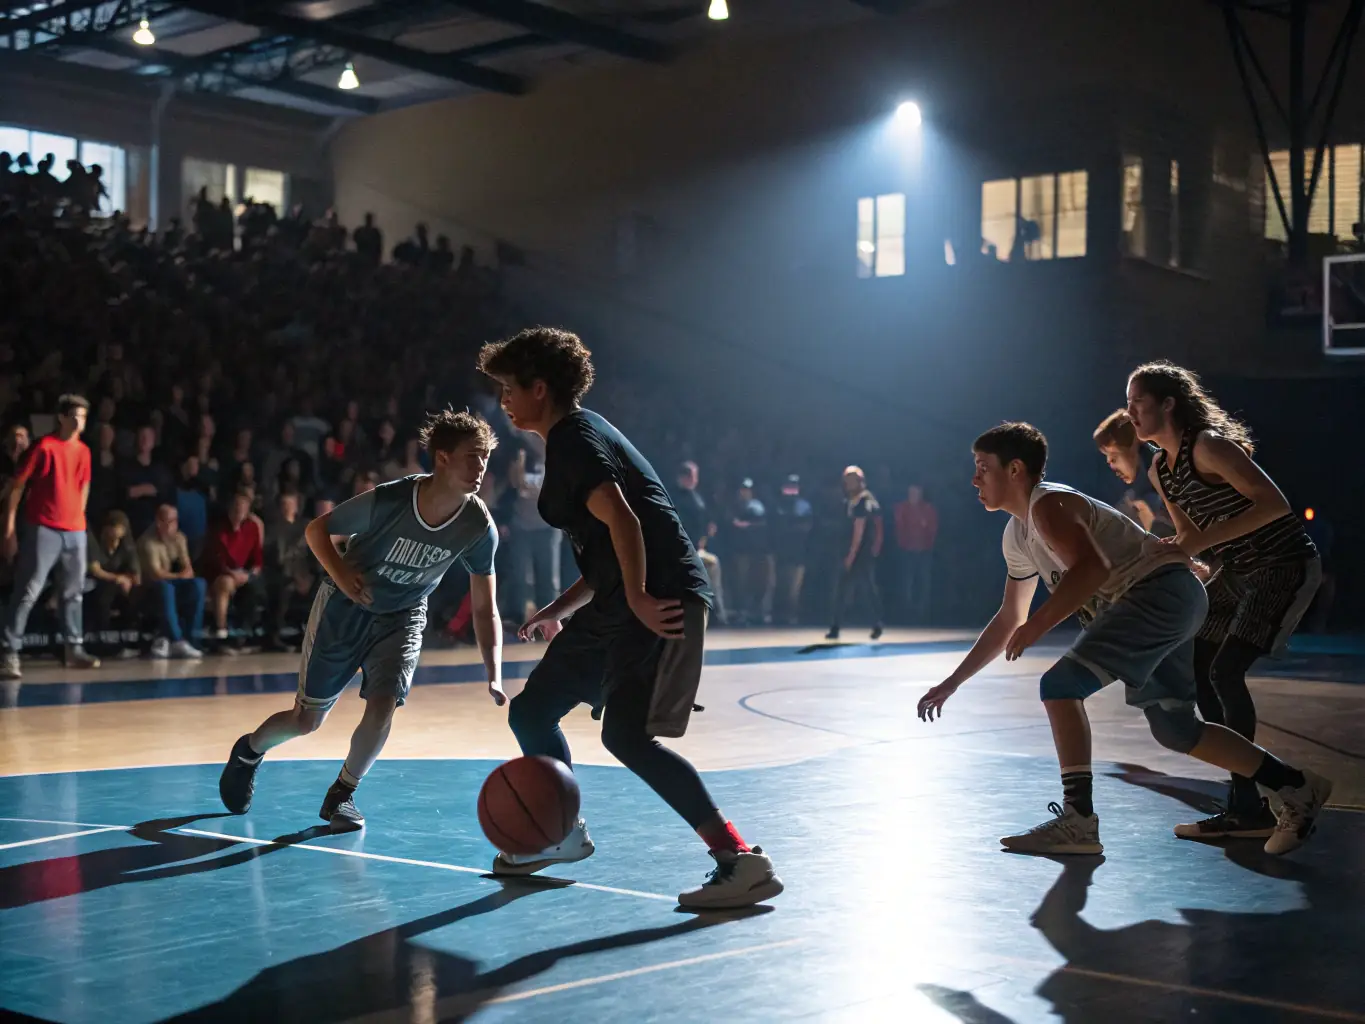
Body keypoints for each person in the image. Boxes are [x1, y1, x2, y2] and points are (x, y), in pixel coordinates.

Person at [916, 423, 1331, 857]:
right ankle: (1296, 786)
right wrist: (953, 682)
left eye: (983, 468)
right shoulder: (1017, 535)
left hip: (1158, 595)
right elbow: (1009, 617)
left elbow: (1090, 570)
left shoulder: (1050, 504)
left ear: (1015, 469)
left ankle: (1078, 821)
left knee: (1059, 686)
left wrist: (1036, 627)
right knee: (1175, 729)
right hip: (1169, 598)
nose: (974, 479)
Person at [478, 326, 782, 909]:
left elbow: (625, 523)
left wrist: (639, 595)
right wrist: (558, 608)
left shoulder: (575, 439)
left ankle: (739, 860)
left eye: (509, 388)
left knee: (625, 735)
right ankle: (560, 835)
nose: (504, 401)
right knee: (534, 710)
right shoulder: (575, 436)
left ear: (540, 388)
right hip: (621, 599)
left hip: (657, 597)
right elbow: (606, 551)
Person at [217, 410, 504, 831]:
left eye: (485, 458)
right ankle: (249, 750)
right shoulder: (391, 500)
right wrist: (342, 574)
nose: (480, 468)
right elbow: (318, 530)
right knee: (306, 721)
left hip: (403, 615)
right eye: (471, 457)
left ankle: (342, 794)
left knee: (384, 705)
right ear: (442, 457)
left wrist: (494, 672)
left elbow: (485, 607)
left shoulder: (478, 526)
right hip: (346, 607)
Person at [1127, 362, 1323, 839]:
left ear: (1168, 404)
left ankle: (1252, 800)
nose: (1129, 413)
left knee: (1224, 671)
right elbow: (1192, 535)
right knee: (1197, 667)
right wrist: (1163, 553)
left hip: (1282, 563)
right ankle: (1249, 805)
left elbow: (1274, 504)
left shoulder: (1209, 446)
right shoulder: (1161, 470)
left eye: (1138, 403)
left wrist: (1196, 545)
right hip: (1237, 571)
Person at [1, 395, 100, 676]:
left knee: (73, 592)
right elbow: (17, 487)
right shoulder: (44, 446)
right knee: (29, 590)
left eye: (83, 417)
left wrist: (78, 519)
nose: (80, 422)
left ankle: (73, 648)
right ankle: (9, 651)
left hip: (74, 530)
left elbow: (84, 486)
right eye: (75, 416)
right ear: (62, 417)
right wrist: (9, 529)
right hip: (43, 527)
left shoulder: (84, 451)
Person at [138, 504, 207, 659]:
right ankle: (176, 640)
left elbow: (188, 568)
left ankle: (191, 639)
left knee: (198, 584)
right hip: (149, 589)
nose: (172, 525)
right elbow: (156, 575)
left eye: (175, 521)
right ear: (158, 522)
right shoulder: (148, 541)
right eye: (168, 521)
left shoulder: (180, 537)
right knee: (165, 588)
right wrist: (179, 576)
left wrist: (183, 575)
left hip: (172, 583)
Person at [1091, 409, 1173, 536]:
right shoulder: (1134, 498)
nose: (1110, 464)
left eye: (1114, 456)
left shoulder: (1168, 478)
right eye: (1107, 457)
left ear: (1134, 444)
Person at [202, 488, 266, 647]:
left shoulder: (252, 527)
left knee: (255, 587)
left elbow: (257, 559)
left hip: (244, 574)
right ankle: (221, 631)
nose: (239, 511)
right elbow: (217, 559)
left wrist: (249, 574)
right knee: (225, 583)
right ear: (230, 508)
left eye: (243, 508)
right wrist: (233, 574)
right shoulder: (219, 528)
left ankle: (244, 634)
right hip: (222, 573)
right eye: (237, 507)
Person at [827, 465, 884, 641]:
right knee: (843, 590)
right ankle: (836, 626)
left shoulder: (863, 501)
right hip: (850, 550)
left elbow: (860, 530)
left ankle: (876, 624)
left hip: (860, 553)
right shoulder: (850, 501)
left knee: (866, 589)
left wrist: (851, 556)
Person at [674, 461, 726, 626]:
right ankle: (717, 613)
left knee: (712, 568)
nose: (694, 480)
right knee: (712, 566)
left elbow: (702, 519)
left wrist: (707, 529)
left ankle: (716, 613)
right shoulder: (678, 498)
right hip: (684, 549)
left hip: (698, 547)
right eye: (691, 476)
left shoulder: (695, 496)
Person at [86, 509, 141, 656]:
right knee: (104, 596)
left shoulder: (127, 546)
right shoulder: (95, 542)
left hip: (118, 585)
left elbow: (136, 575)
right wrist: (117, 578)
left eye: (120, 529)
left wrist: (128, 580)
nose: (116, 532)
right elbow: (95, 570)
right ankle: (104, 643)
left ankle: (129, 641)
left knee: (134, 595)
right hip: (95, 582)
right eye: (113, 528)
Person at [771, 474, 813, 626]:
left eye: (794, 486)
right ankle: (777, 616)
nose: (791, 490)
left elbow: (807, 527)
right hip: (780, 554)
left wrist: (791, 528)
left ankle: (791, 617)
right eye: (788, 486)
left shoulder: (804, 506)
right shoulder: (777, 505)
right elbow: (775, 528)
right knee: (779, 586)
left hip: (798, 554)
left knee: (794, 589)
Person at [894, 484, 939, 623]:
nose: (914, 495)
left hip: (924, 550)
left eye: (916, 493)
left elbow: (933, 529)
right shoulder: (902, 508)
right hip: (907, 550)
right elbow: (899, 528)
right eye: (911, 493)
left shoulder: (928, 509)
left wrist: (928, 544)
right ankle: (907, 611)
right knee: (907, 581)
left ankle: (922, 612)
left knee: (924, 580)